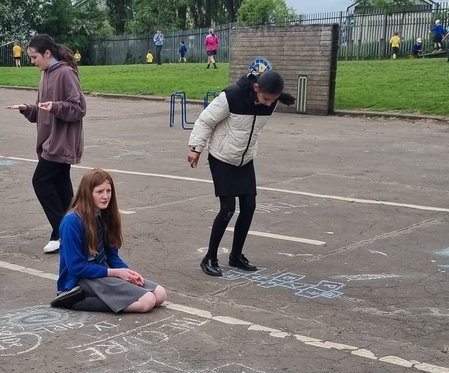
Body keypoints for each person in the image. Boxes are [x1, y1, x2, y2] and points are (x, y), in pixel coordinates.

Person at [188, 58, 295, 277]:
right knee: (227, 209)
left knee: (249, 207)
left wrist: (272, 101)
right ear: (256, 87)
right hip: (222, 157)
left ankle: (236, 255)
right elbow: (205, 121)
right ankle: (209, 257)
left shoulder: (271, 101)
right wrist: (195, 148)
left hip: (245, 159)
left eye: (272, 100)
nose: (268, 104)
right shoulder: (232, 96)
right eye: (265, 98)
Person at [6, 33, 86, 254]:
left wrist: (56, 107)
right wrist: (27, 109)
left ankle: (61, 232)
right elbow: (43, 109)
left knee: (40, 181)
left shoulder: (65, 74)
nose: (32, 62)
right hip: (49, 142)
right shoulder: (46, 74)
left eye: (34, 57)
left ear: (47, 54)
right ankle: (76, 233)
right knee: (62, 189)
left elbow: (78, 108)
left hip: (61, 144)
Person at [51, 169, 167, 313]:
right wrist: (116, 273)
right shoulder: (72, 221)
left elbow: (112, 255)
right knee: (147, 301)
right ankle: (73, 300)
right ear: (87, 193)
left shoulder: (105, 215)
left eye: (108, 191)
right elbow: (76, 267)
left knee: (160, 294)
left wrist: (127, 272)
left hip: (103, 270)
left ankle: (104, 295)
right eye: (99, 192)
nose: (105, 196)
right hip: (80, 278)